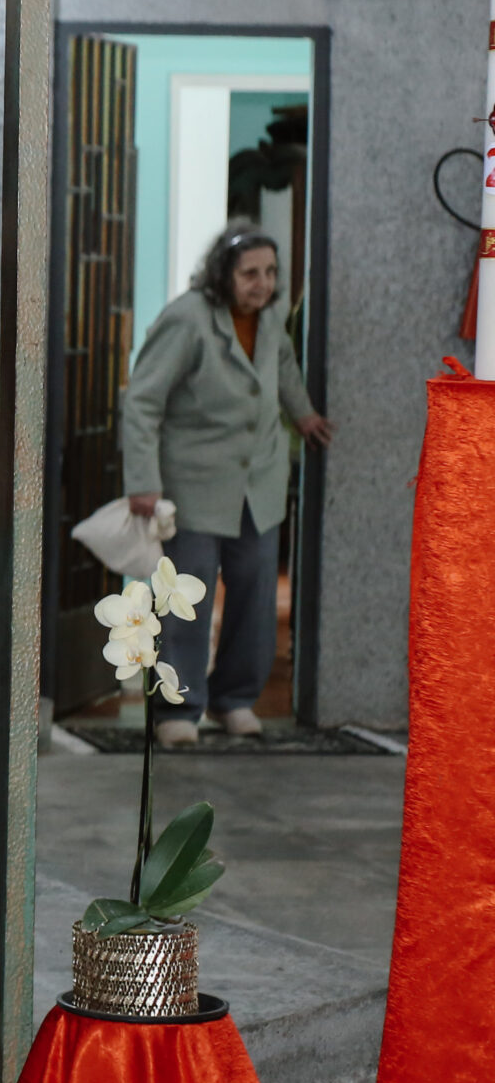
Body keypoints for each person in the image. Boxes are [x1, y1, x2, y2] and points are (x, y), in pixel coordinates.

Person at [120, 221, 332, 746]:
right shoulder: (187, 318)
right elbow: (143, 401)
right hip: (194, 484)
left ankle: (234, 699)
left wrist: (303, 414)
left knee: (257, 597)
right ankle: (178, 708)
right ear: (223, 273)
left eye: (271, 272)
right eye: (250, 274)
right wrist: (143, 481)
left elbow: (282, 367)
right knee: (185, 599)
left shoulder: (271, 317)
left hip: (258, 484)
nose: (263, 284)